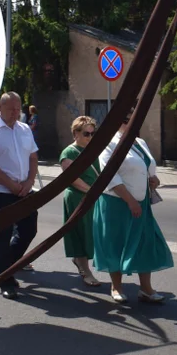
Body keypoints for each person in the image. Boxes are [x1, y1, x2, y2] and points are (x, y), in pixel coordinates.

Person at [94, 107, 171, 304]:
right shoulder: (109, 144)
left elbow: (146, 168)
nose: (130, 124)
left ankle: (146, 289)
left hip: (141, 202)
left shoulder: (139, 142)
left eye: (133, 120)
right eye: (126, 120)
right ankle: (116, 287)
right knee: (116, 244)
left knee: (145, 243)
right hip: (117, 203)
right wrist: (130, 201)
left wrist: (154, 180)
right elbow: (110, 175)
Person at [0, 92, 39, 300]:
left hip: (25, 190)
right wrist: (11, 185)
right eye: (11, 108)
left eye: (18, 108)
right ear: (0, 108)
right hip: (0, 193)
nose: (15, 112)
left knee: (29, 230)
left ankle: (4, 264)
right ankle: (6, 280)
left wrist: (29, 182)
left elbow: (33, 157)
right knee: (3, 235)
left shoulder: (24, 130)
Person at [59, 116, 102, 287]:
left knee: (92, 233)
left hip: (94, 196)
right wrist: (91, 191)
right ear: (75, 133)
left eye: (92, 133)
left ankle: (82, 262)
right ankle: (85, 269)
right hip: (78, 197)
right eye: (86, 133)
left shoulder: (94, 150)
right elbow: (72, 178)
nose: (90, 137)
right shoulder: (69, 152)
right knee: (81, 233)